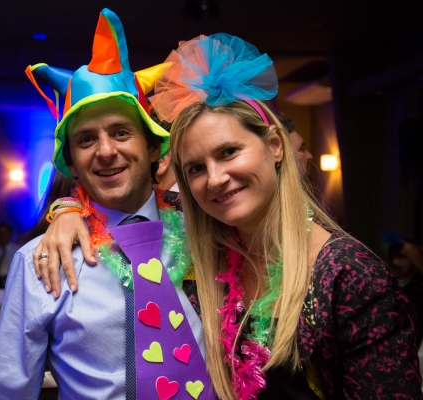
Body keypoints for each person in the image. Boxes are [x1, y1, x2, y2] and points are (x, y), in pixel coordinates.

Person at [35, 33, 422, 398]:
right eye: (196, 169)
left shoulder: (350, 278)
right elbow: (124, 197)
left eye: (228, 152)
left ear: (274, 146)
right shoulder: (210, 253)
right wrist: (70, 209)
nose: (216, 180)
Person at [0, 9, 215, 399]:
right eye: (86, 140)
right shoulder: (39, 262)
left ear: (155, 147)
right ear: (70, 161)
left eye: (121, 132)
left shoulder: (205, 229)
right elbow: (6, 392)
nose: (106, 151)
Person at [388, 239, 423, 346]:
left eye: (402, 257)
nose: (395, 262)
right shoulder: (398, 280)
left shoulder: (418, 280)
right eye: (394, 258)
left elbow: (410, 248)